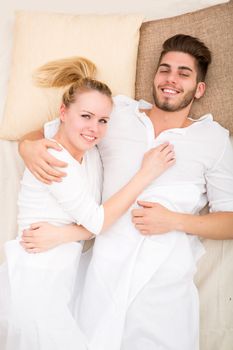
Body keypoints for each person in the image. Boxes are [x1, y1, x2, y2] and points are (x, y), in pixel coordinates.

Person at [18, 34, 233, 350]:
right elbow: (52, 133)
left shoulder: (214, 139)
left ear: (199, 89)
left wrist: (174, 221)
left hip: (164, 275)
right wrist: (27, 148)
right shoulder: (117, 113)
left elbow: (229, 220)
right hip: (106, 264)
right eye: (165, 70)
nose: (171, 79)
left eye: (183, 73)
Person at [0, 56, 175, 350]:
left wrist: (62, 234)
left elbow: (94, 225)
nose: (94, 128)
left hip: (60, 276)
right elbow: (97, 222)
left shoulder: (88, 151)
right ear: (63, 113)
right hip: (36, 278)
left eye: (103, 120)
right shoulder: (56, 160)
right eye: (86, 116)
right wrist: (146, 174)